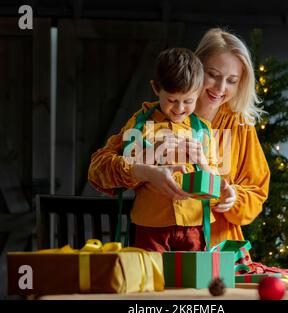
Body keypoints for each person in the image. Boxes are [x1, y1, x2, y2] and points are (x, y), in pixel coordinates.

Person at [89, 28, 270, 248]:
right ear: (196, 68)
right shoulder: (150, 121)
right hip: (155, 238)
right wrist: (143, 167)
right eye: (213, 75)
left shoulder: (239, 125)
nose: (221, 89)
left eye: (232, 80)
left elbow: (257, 192)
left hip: (219, 251)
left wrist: (229, 196)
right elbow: (98, 171)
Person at [89, 47, 230, 252]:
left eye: (188, 101)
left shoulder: (204, 130)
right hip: (149, 227)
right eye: (172, 100)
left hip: (195, 228)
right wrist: (145, 159)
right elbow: (99, 171)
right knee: (149, 281)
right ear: (156, 88)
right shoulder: (139, 125)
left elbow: (216, 188)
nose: (180, 108)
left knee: (192, 284)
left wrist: (204, 164)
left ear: (198, 92)